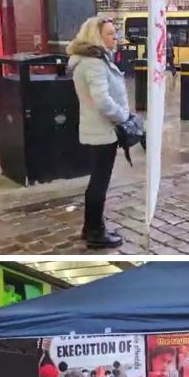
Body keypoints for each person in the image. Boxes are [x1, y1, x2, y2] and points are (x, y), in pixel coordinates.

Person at [68, 16, 135, 249]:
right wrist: (123, 116)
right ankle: (96, 232)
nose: (114, 37)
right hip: (103, 131)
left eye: (114, 33)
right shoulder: (93, 63)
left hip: (96, 129)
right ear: (96, 36)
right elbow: (103, 101)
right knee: (99, 182)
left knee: (96, 180)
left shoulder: (89, 60)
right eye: (109, 33)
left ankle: (90, 226)